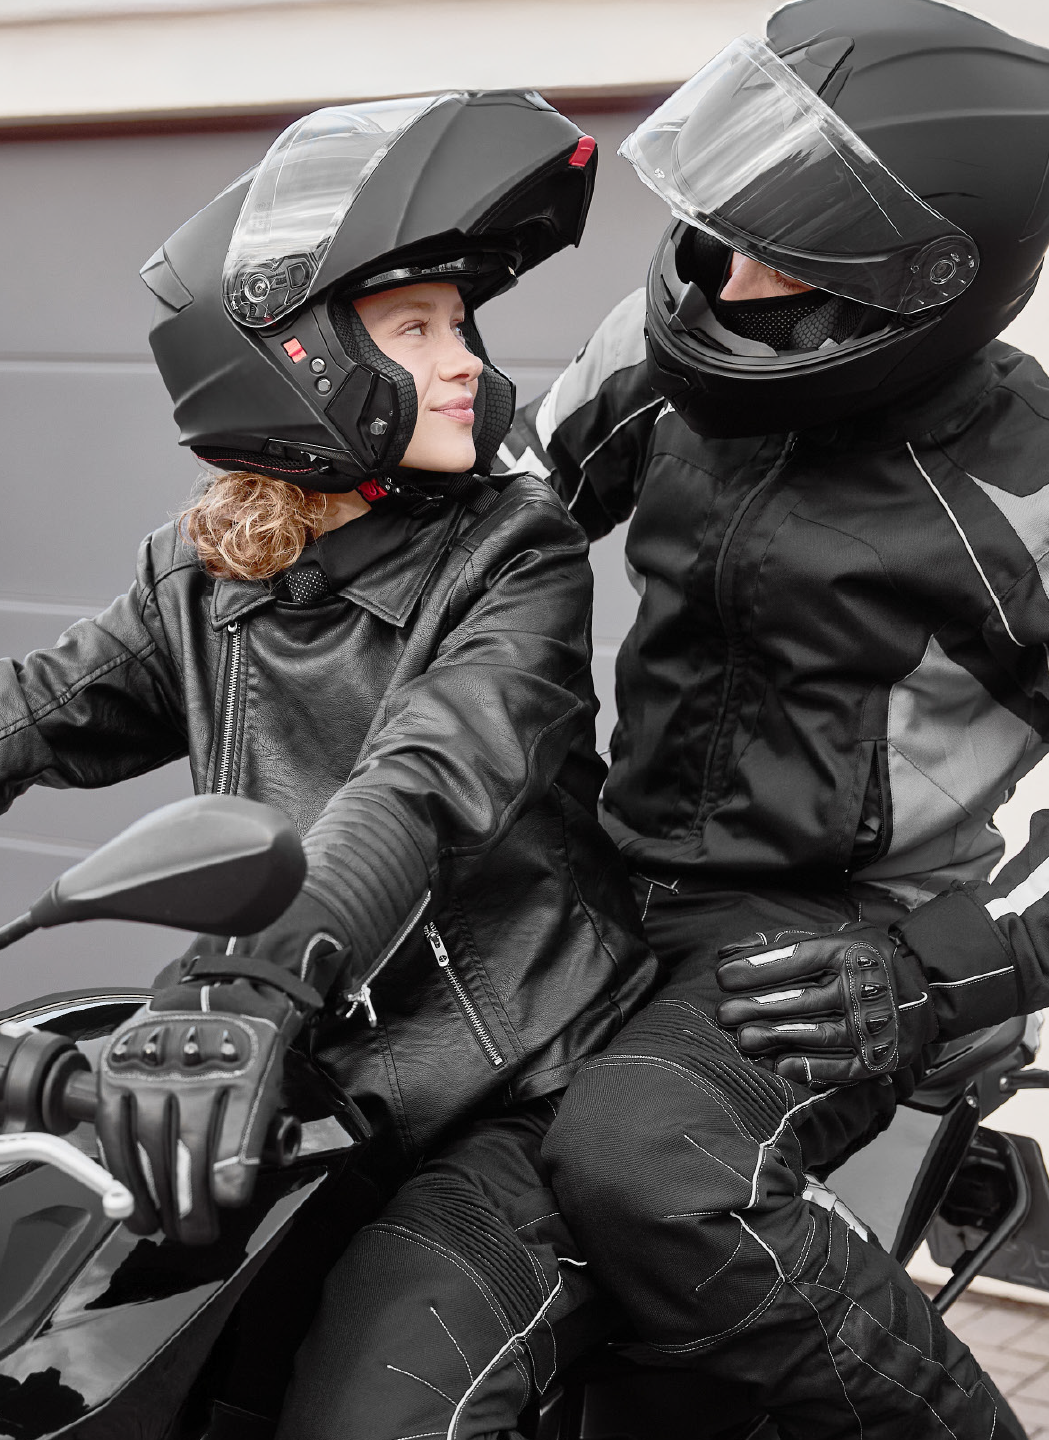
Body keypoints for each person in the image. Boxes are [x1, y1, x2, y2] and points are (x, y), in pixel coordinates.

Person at [4, 93, 656, 1436]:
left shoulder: (512, 557)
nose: (469, 357)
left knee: (366, 1414)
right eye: (418, 327)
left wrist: (251, 979)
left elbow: (421, 785)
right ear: (290, 361)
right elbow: (42, 708)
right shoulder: (199, 565)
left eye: (458, 323)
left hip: (498, 1085)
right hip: (291, 1062)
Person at [501, 2, 1049, 1434]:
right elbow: (496, 545)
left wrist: (960, 967)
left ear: (919, 282)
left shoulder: (1043, 489)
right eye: (730, 228)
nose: (728, 274)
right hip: (618, 869)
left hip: (831, 938)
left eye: (789, 254)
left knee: (648, 1165)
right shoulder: (662, 365)